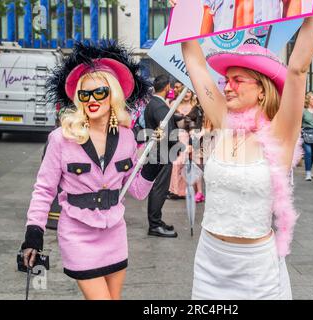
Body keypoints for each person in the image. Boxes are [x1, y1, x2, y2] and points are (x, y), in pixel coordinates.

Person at [172, 0, 313, 299]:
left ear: (262, 88)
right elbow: (197, 65)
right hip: (209, 261)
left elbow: (297, 70)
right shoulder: (223, 120)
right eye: (226, 80)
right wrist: (183, 10)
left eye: (237, 80)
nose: (226, 87)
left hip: (256, 269)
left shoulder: (281, 133)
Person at [20, 41, 165, 300]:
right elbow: (44, 189)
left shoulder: (126, 138)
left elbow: (137, 190)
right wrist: (34, 233)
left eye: (100, 92)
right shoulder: (60, 138)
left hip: (114, 232)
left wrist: (158, 157)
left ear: (114, 95)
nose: (92, 100)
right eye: (85, 94)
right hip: (77, 234)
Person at [144, 75, 180, 238]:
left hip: (158, 151)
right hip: (162, 152)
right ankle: (155, 225)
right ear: (166, 87)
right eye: (170, 87)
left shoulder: (154, 103)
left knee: (158, 187)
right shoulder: (159, 106)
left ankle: (156, 221)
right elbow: (167, 131)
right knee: (160, 188)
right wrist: (176, 147)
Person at [200, 0, 302, 34]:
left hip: (264, 48)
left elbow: (291, 2)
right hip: (225, 47)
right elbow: (208, 13)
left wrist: (282, 38)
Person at [169, 89, 195, 199]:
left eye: (189, 92)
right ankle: (173, 190)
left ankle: (182, 191)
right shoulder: (174, 104)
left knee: (184, 164)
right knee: (175, 163)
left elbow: (197, 124)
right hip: (175, 136)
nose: (187, 94)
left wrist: (192, 143)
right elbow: (169, 120)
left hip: (188, 137)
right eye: (185, 92)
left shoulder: (195, 106)